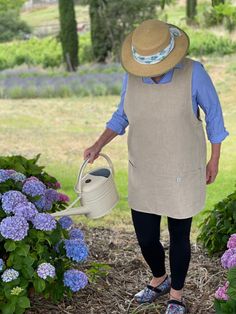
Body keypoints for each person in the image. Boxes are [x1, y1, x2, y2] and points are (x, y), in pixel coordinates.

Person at [83, 19, 229, 314]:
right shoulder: (132, 76)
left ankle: (176, 295)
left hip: (181, 170)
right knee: (146, 237)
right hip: (144, 168)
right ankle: (159, 278)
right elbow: (121, 116)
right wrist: (98, 144)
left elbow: (214, 117)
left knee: (178, 235)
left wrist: (214, 159)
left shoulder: (194, 72)